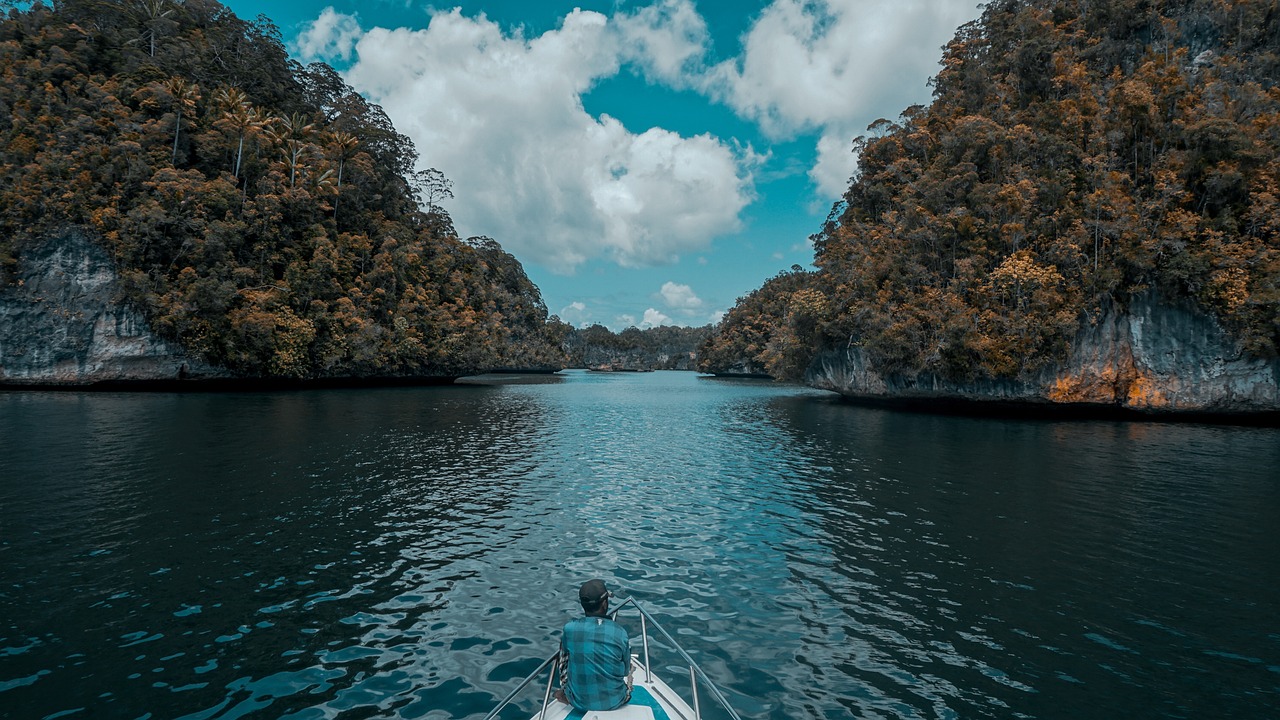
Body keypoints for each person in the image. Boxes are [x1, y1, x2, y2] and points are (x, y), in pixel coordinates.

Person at [556, 578, 632, 711]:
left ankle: (566, 691)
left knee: (565, 649)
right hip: (615, 701)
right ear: (604, 604)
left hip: (578, 702)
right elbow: (625, 672)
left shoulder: (569, 629)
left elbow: (564, 661)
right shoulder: (620, 632)